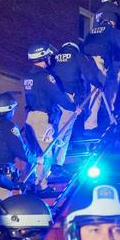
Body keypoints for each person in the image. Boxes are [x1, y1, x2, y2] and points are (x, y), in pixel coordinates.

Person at [23, 43, 79, 184]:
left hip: (30, 118)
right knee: (45, 153)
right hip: (42, 118)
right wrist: (73, 108)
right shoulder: (45, 77)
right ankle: (40, 185)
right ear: (44, 57)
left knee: (35, 153)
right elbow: (58, 95)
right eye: (49, 56)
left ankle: (33, 183)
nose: (51, 59)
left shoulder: (28, 76)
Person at [82, 11, 120, 131]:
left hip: (85, 62)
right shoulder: (113, 31)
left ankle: (95, 120)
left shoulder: (92, 31)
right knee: (99, 91)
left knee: (93, 91)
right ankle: (95, 122)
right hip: (98, 62)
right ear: (113, 22)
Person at [0, 93, 36, 200]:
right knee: (3, 205)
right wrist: (35, 158)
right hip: (2, 173)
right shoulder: (9, 126)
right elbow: (20, 151)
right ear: (10, 110)